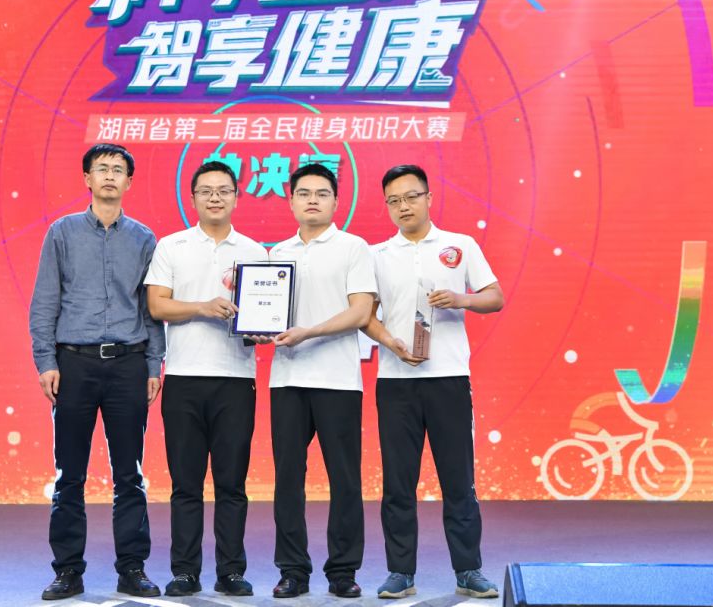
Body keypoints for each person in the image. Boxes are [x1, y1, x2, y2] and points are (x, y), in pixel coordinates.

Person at [29, 143, 166, 601]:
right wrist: (46, 361)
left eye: (118, 170)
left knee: (130, 474)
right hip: (74, 364)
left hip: (128, 364)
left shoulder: (144, 239)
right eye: (101, 168)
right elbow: (45, 303)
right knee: (70, 473)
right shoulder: (62, 233)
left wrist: (153, 363)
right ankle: (68, 570)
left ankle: (133, 568)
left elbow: (151, 310)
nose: (109, 175)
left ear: (129, 181)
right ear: (87, 178)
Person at [364, 164, 504, 600]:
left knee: (458, 480)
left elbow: (495, 297)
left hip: (448, 379)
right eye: (394, 201)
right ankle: (400, 572)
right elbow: (364, 315)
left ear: (428, 198)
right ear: (387, 206)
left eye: (411, 197)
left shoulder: (460, 245)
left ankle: (469, 569)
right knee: (398, 482)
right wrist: (389, 342)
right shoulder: (376, 255)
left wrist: (461, 299)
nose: (403, 206)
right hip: (396, 380)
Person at [144, 161, 268, 597]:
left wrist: (261, 329)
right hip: (184, 379)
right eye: (206, 190)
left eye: (223, 190)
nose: (215, 197)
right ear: (193, 197)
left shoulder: (255, 251)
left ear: (236, 196)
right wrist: (202, 307)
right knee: (186, 485)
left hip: (235, 380)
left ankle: (231, 571)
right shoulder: (171, 246)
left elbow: (264, 316)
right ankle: (185, 571)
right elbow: (157, 306)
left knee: (232, 483)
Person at [266, 163, 377, 599]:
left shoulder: (353, 248)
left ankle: (343, 571)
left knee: (345, 479)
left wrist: (308, 332)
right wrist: (253, 326)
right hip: (287, 379)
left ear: (336, 201)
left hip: (338, 380)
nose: (312, 200)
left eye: (322, 193)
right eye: (304, 193)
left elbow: (361, 311)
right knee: (287, 479)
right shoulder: (276, 254)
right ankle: (292, 570)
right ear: (291, 200)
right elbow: (266, 315)